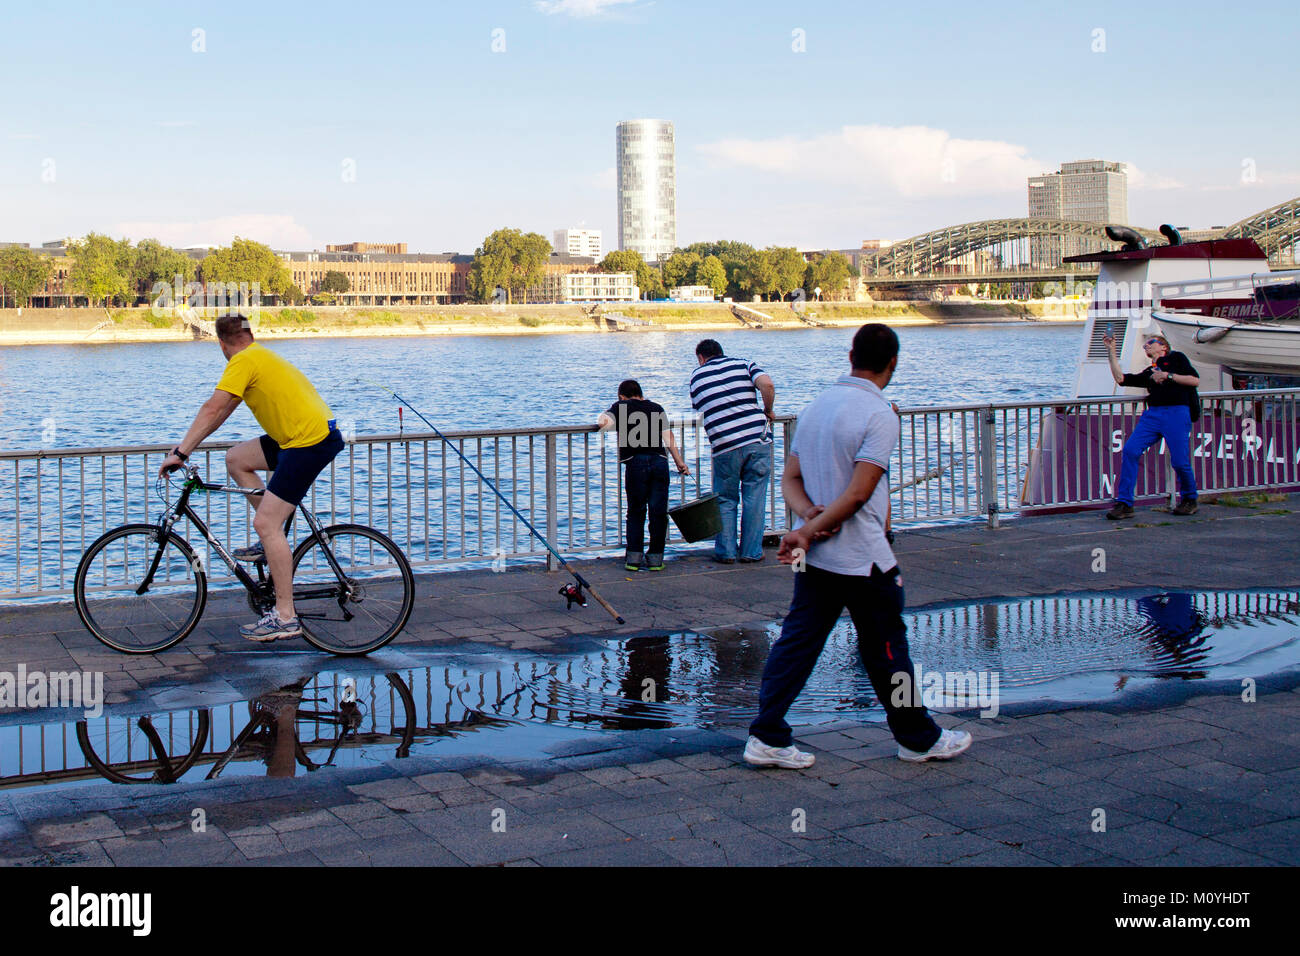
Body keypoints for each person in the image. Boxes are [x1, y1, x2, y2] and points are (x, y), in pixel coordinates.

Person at [744, 324, 971, 769]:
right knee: (887, 650)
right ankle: (918, 738)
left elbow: (791, 480)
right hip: (866, 557)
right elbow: (860, 493)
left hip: (820, 559)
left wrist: (809, 517)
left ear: (850, 356)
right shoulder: (880, 413)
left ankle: (767, 734)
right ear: (893, 363)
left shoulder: (815, 408)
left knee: (797, 644)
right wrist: (810, 529)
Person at [156, 313, 344, 642]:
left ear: (221, 343)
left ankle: (286, 616)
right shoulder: (259, 355)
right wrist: (188, 448)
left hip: (308, 442)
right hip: (297, 438)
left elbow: (212, 409)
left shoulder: (243, 361)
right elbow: (224, 408)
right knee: (236, 459)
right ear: (249, 334)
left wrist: (181, 453)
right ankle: (269, 539)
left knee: (267, 524)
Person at [688, 340, 775, 563]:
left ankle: (726, 552)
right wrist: (768, 410)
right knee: (755, 497)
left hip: (724, 445)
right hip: (757, 439)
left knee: (725, 499)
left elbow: (701, 409)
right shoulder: (744, 364)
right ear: (721, 352)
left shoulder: (696, 377)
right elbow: (767, 385)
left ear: (701, 357)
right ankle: (751, 552)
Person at [1103, 332, 1200, 519]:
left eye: (1150, 343)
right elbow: (1121, 378)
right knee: (1130, 450)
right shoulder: (1149, 372)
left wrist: (1168, 376)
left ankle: (1189, 499)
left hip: (1176, 413)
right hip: (1153, 414)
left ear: (1163, 347)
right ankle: (1125, 503)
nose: (1146, 345)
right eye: (1145, 344)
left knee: (1180, 461)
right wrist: (1111, 351)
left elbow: (1194, 380)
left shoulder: (1177, 358)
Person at [597, 380, 690, 571]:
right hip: (659, 461)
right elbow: (668, 436)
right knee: (658, 512)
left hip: (636, 462)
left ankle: (634, 559)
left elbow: (602, 423)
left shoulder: (621, 406)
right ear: (640, 393)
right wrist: (679, 462)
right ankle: (656, 559)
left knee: (636, 511)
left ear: (622, 395)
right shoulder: (656, 407)